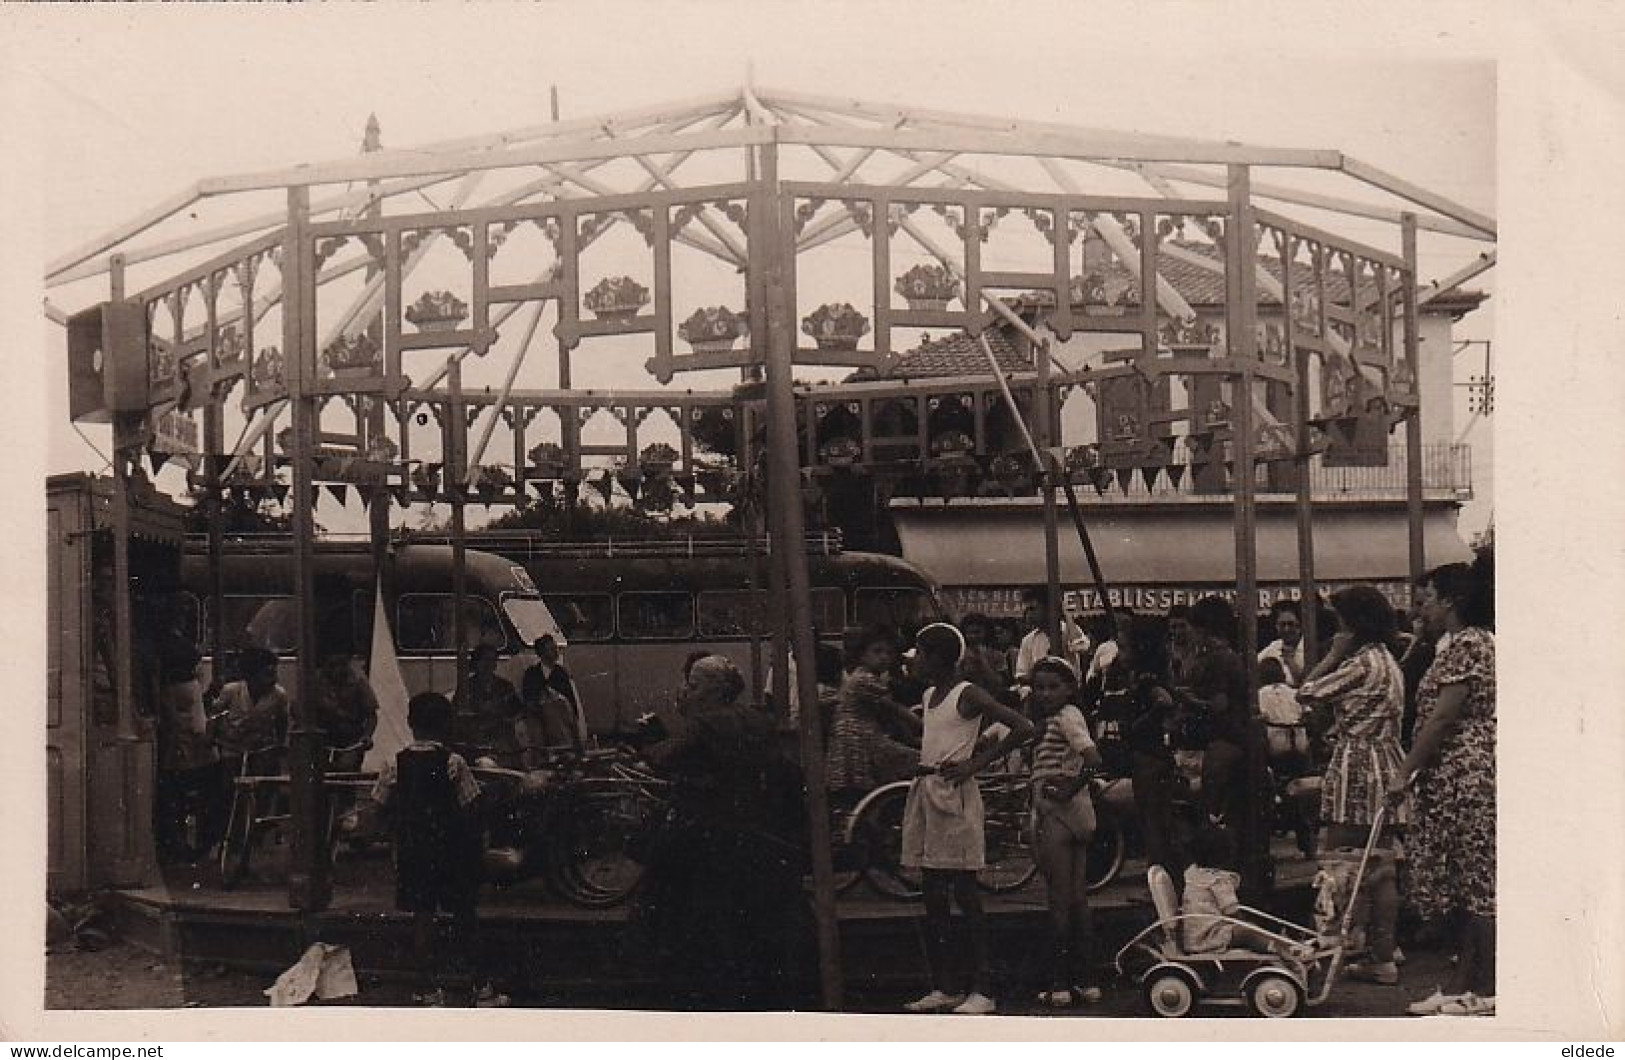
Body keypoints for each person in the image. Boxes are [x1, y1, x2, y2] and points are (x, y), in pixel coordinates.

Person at [637, 655, 804, 1009]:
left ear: (712, 691)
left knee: (680, 894)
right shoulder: (756, 718)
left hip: (712, 832)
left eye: (694, 685)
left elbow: (666, 756)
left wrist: (650, 736)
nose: (687, 690)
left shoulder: (707, 723)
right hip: (758, 832)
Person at [900, 623, 1035, 1015]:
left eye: (922, 653)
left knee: (964, 892)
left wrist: (974, 764)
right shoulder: (928, 695)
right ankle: (946, 986)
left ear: (940, 658)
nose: (916, 660)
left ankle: (984, 988)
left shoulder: (968, 693)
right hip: (927, 793)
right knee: (933, 894)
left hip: (955, 797)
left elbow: (1022, 726)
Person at [1393, 556, 1496, 1018]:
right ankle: (1467, 982)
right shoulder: (1459, 644)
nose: (1421, 612)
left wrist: (1404, 772)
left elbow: (1441, 718)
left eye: (1428, 601)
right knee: (1465, 879)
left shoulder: (1468, 645)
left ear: (1451, 600)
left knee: (1476, 880)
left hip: (1465, 772)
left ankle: (1479, 984)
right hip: (1456, 773)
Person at [1295, 585, 1407, 984]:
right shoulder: (1388, 661)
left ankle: (1329, 945)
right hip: (1386, 762)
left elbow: (1307, 692)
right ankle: (1384, 949)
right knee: (1381, 863)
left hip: (1356, 764)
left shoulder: (1359, 662)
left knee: (1338, 860)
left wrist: (1333, 653)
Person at [370, 692, 507, 1008]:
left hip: (414, 852)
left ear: (410, 723)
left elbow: (378, 806)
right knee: (463, 916)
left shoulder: (394, 763)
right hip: (452, 851)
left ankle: (429, 990)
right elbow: (472, 805)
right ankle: (480, 988)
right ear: (447, 725)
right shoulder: (453, 762)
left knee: (423, 918)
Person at [1026, 656, 1105, 1007]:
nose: (1044, 693)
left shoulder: (1066, 717)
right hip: (1078, 813)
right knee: (1077, 899)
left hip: (1058, 812)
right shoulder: (1060, 718)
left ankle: (1059, 984)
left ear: (1070, 688)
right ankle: (1087, 982)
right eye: (1039, 687)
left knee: (1058, 902)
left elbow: (1093, 758)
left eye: (1052, 686)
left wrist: (1068, 789)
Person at [1174, 596, 1255, 833]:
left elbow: (1219, 705)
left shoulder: (1218, 658)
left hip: (1223, 736)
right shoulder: (1220, 656)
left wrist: (1186, 698)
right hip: (1226, 735)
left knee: (1208, 803)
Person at [1181, 824, 1310, 958]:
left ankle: (1282, 945)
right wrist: (1248, 925)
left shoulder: (1194, 876)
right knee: (1248, 932)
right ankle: (1281, 951)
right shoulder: (1218, 881)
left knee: (1251, 929)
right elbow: (1232, 912)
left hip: (1195, 936)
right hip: (1210, 936)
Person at [826, 626, 921, 800]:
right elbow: (895, 710)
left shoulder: (871, 677)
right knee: (916, 761)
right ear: (862, 655)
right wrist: (923, 725)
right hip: (858, 739)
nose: (884, 657)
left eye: (889, 653)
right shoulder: (864, 679)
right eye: (877, 652)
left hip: (865, 734)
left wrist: (911, 737)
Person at [153, 633, 219, 865]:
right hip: (194, 751)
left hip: (173, 752)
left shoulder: (165, 689)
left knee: (174, 801)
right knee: (206, 794)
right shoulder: (190, 687)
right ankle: (202, 843)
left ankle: (176, 844)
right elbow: (199, 726)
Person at [209, 647, 289, 778]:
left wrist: (281, 745)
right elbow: (215, 716)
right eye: (267, 674)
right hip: (232, 748)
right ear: (251, 675)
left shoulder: (279, 695)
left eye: (274, 673)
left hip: (262, 749)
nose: (273, 678)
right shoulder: (231, 691)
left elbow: (282, 721)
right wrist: (212, 738)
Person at [453, 643, 524, 766]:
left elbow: (518, 711)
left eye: (492, 660)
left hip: (502, 736)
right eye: (485, 660)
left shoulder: (505, 686)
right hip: (476, 738)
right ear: (477, 662)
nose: (488, 664)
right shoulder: (466, 687)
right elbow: (457, 715)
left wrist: (508, 719)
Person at [520, 635, 585, 762]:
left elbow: (570, 701)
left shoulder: (561, 674)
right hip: (537, 717)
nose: (556, 652)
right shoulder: (531, 674)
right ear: (541, 653)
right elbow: (528, 698)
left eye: (555, 648)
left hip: (559, 719)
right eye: (551, 649)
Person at [310, 653, 379, 770]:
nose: (336, 669)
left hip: (351, 738)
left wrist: (366, 736)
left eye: (340, 665)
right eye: (332, 665)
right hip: (323, 738)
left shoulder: (358, 681)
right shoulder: (316, 681)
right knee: (319, 772)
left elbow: (371, 715)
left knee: (346, 769)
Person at [1013, 588, 1089, 686]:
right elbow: (1021, 674)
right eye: (1026, 611)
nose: (1028, 615)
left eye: (1032, 609)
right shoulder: (1028, 640)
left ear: (1046, 608)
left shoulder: (1068, 630)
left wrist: (1065, 614)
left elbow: (1081, 647)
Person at [1258, 600, 1307, 687]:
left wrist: (1290, 660)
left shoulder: (1310, 648)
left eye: (1290, 624)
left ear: (1299, 625)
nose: (1286, 629)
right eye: (1282, 625)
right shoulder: (1274, 646)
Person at [1085, 607, 1135, 684]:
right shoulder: (1107, 647)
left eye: (1126, 625)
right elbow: (1100, 671)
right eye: (1120, 625)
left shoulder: (1132, 647)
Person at [1166, 604, 1200, 685]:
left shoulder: (1202, 651)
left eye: (1182, 626)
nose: (1178, 632)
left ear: (1192, 627)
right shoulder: (1163, 652)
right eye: (1174, 627)